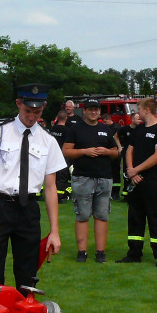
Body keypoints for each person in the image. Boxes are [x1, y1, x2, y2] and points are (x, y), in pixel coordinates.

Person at [0, 85, 64, 288]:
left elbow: (50, 188)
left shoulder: (48, 141)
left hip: (28, 210)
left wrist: (55, 231)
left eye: (38, 112)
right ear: (18, 104)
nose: (32, 117)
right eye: (28, 111)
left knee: (27, 272)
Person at [62, 99, 119, 263]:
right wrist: (85, 151)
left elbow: (116, 152)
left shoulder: (104, 129)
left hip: (104, 177)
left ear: (99, 112)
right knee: (83, 215)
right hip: (83, 177)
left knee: (102, 216)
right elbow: (66, 151)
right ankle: (82, 252)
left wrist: (106, 151)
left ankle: (100, 252)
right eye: (90, 109)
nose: (93, 112)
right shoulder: (76, 129)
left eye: (96, 109)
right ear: (84, 111)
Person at [117, 99, 157, 266]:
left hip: (153, 180)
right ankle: (134, 253)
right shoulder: (138, 129)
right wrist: (131, 171)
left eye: (138, 109)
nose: (137, 112)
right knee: (135, 216)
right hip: (135, 180)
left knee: (154, 216)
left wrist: (136, 169)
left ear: (147, 110)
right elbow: (129, 150)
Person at [49, 110, 71, 202]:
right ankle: (59, 196)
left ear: (57, 118)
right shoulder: (67, 131)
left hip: (52, 155)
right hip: (62, 156)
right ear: (66, 118)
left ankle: (51, 194)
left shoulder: (52, 129)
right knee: (62, 177)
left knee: (52, 175)